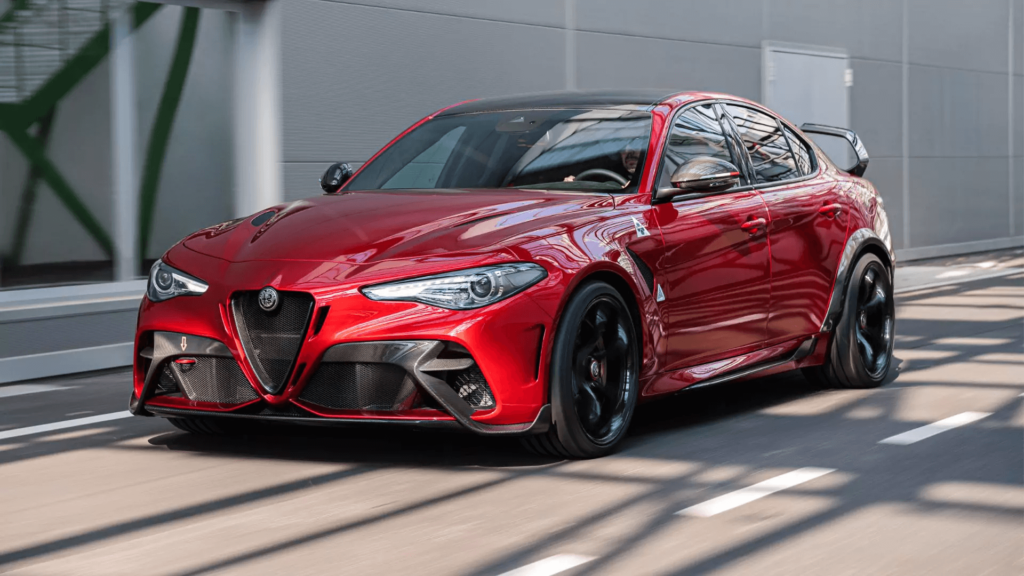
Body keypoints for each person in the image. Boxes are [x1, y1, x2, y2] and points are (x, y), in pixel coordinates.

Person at [564, 138, 643, 187]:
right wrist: (573, 186)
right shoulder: (610, 174)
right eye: (622, 146)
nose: (628, 151)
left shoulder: (652, 182)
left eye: (636, 144)